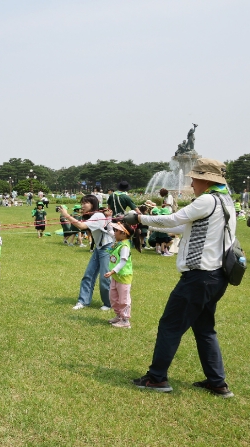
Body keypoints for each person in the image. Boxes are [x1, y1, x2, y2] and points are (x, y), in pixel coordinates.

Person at [127, 158, 237, 397]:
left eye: (195, 178)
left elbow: (175, 219)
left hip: (199, 277)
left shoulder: (207, 199)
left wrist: (140, 219)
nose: (192, 182)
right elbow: (182, 228)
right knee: (205, 328)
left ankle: (157, 379)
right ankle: (217, 383)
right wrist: (148, 226)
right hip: (217, 277)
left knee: (170, 325)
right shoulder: (224, 201)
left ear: (206, 180)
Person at [59, 196, 114, 311]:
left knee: (105, 278)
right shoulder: (92, 215)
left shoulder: (98, 216)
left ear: (93, 204)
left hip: (107, 248)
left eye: (86, 203)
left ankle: (108, 304)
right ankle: (83, 301)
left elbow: (81, 226)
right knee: (88, 275)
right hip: (99, 248)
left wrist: (66, 215)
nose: (82, 206)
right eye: (82, 203)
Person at [103, 222, 137, 329]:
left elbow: (123, 262)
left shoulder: (125, 246)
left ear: (123, 234)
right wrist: (108, 220)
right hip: (116, 276)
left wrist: (112, 271)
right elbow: (109, 232)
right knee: (113, 297)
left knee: (124, 299)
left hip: (123, 276)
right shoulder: (118, 242)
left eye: (116, 231)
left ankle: (125, 320)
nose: (114, 232)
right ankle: (118, 316)